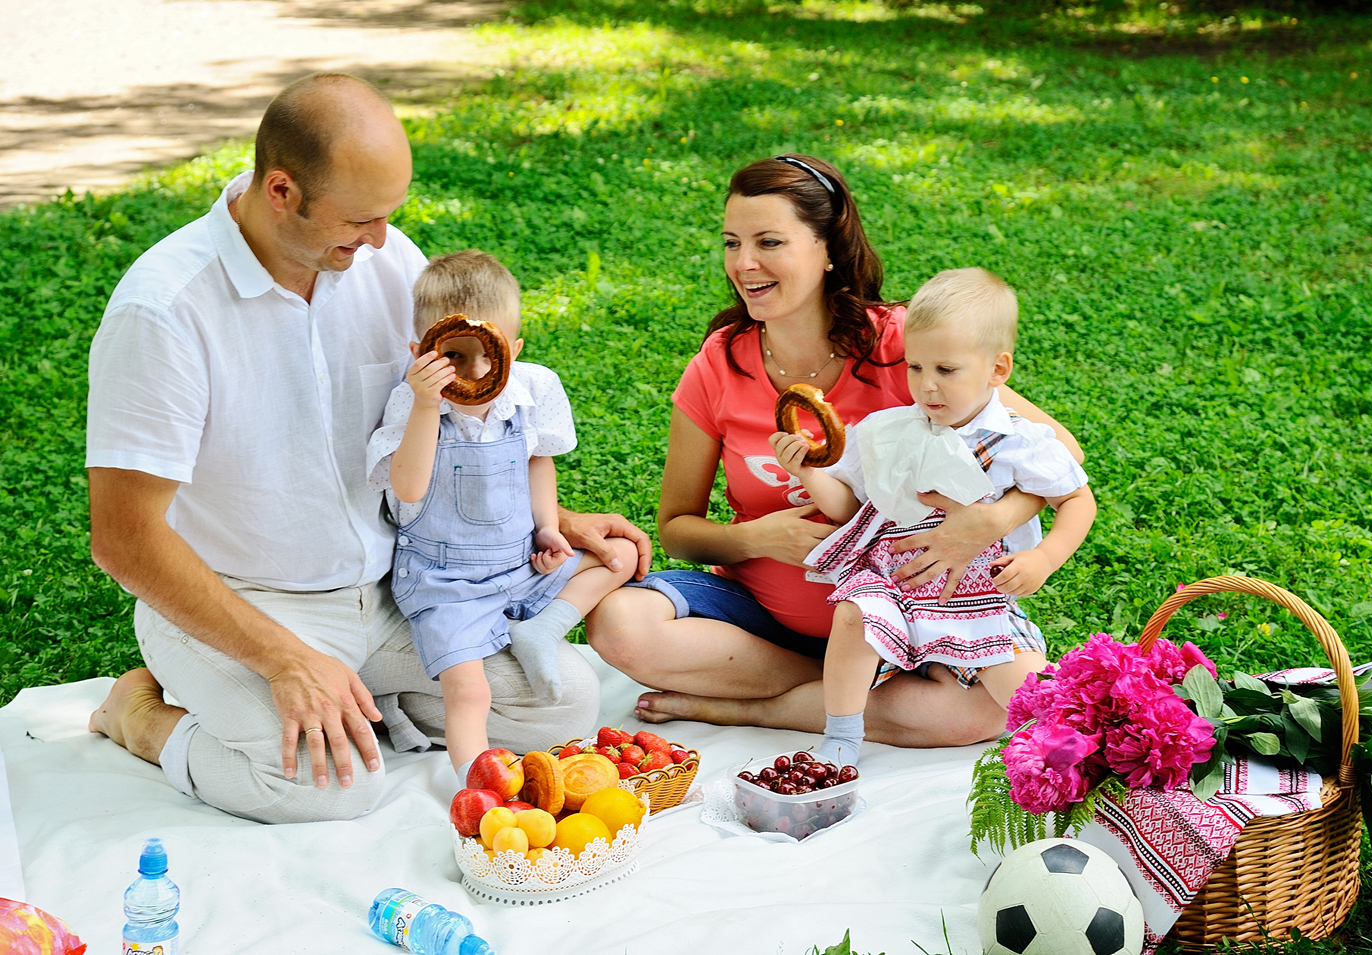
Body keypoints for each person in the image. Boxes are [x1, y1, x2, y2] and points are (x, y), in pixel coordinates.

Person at [84, 73, 649, 824]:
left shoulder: (381, 260)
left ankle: (366, 696)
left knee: (562, 701)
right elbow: (123, 539)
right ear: (281, 190)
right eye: (361, 219)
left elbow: (447, 421)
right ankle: (142, 717)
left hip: (393, 594)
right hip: (248, 602)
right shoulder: (164, 311)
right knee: (330, 788)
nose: (381, 240)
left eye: (389, 216)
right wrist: (285, 659)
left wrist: (551, 516)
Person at [585, 154, 1084, 748]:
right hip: (762, 625)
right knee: (620, 624)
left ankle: (756, 709)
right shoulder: (718, 364)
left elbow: (1058, 454)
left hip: (910, 616)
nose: (744, 264)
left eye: (769, 242)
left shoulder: (905, 345)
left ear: (827, 249)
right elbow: (676, 530)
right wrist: (757, 538)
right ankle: (834, 690)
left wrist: (993, 520)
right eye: (731, 243)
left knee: (982, 711)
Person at [775, 268, 1097, 766]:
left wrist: (1045, 558)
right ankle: (840, 734)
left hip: (979, 592)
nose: (927, 386)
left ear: (998, 369)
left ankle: (1069, 753)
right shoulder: (886, 430)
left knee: (1027, 688)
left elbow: (1078, 499)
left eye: (946, 370)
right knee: (854, 615)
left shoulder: (1018, 441)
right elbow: (847, 505)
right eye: (915, 367)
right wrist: (811, 471)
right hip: (897, 583)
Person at [366, 250, 638, 780]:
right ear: (420, 352)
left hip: (519, 563)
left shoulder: (530, 390)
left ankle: (541, 630)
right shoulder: (414, 405)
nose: (476, 373)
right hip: (448, 583)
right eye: (455, 358)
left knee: (621, 553)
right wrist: (425, 405)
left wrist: (549, 528)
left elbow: (538, 460)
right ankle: (477, 788)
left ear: (513, 348)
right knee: (468, 692)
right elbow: (408, 486)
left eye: (491, 356)